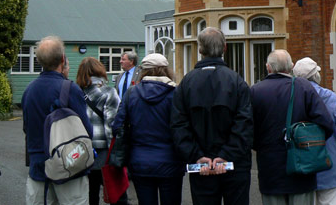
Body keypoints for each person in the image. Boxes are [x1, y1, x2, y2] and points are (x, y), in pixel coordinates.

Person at [171, 27, 253, 205]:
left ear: (200, 50)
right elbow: (244, 124)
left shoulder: (186, 83)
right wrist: (226, 155)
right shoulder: (237, 82)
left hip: (202, 165)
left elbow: (178, 125)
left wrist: (197, 156)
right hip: (234, 165)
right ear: (225, 48)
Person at [251, 50, 335, 205]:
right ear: (291, 66)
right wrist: (310, 144)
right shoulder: (303, 87)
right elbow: (326, 123)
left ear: (268, 67)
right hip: (303, 166)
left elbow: (249, 132)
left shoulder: (256, 91)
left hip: (270, 169)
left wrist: (262, 146)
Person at [21, 36, 93, 205]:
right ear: (62, 60)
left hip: (38, 164)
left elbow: (27, 127)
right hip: (69, 164)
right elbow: (86, 130)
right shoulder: (70, 89)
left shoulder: (29, 90)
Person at [113, 53, 185, 205]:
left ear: (144, 71)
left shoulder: (131, 93)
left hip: (140, 161)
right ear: (166, 70)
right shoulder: (176, 93)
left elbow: (118, 125)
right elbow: (184, 127)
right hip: (171, 161)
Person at [292, 57, 336, 205]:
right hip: (328, 163)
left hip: (301, 165)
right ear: (315, 75)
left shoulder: (291, 98)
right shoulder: (330, 96)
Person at [76, 57, 126, 205]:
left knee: (90, 193)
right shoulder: (109, 92)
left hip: (82, 151)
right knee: (116, 194)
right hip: (103, 152)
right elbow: (112, 126)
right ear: (100, 71)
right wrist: (117, 155)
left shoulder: (76, 92)